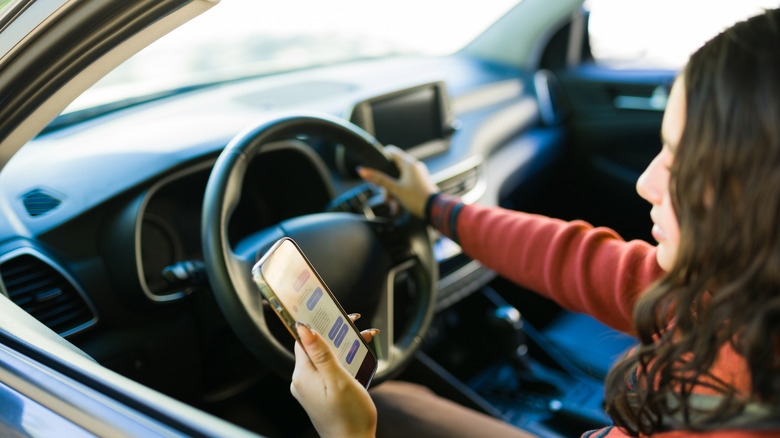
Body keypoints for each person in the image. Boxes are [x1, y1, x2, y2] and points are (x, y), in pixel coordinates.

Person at [290, 8, 780, 438]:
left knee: (384, 410)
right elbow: (578, 260)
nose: (647, 183)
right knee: (398, 405)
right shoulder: (731, 294)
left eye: (682, 162)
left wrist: (349, 432)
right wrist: (439, 209)